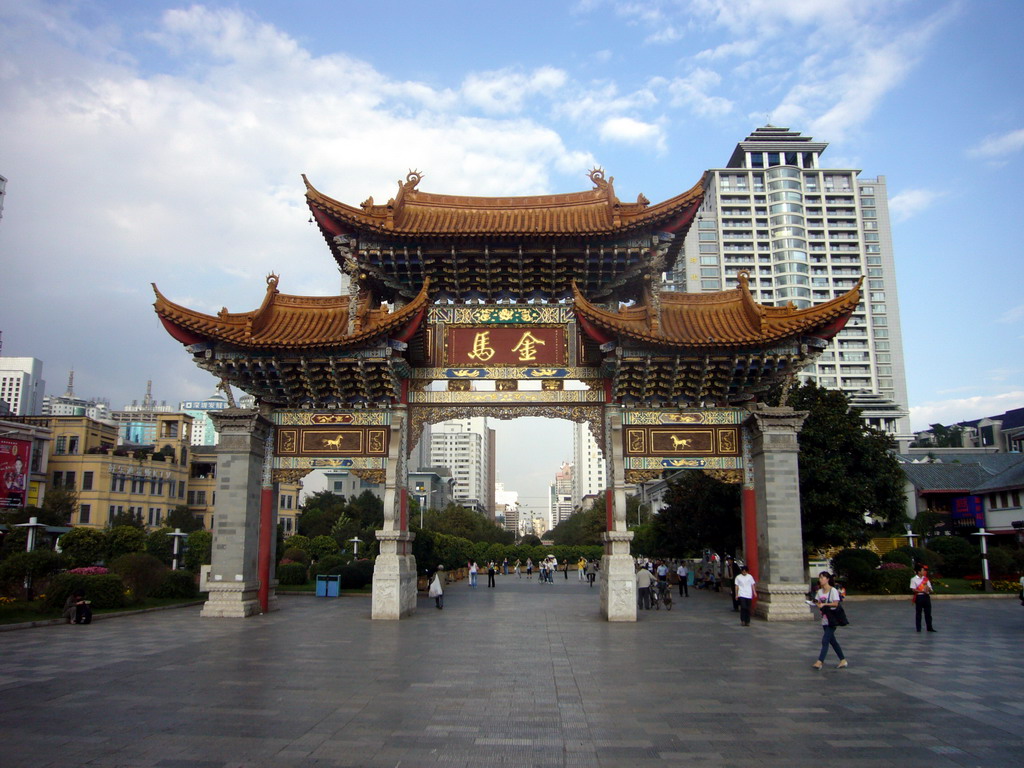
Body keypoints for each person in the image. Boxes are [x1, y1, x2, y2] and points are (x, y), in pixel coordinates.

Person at [812, 571, 847, 669]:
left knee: (825, 640)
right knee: (832, 641)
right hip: (825, 619)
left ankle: (820, 661)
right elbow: (818, 603)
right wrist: (816, 603)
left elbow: (836, 603)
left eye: (823, 578)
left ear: (827, 579)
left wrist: (825, 604)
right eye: (820, 578)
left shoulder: (833, 591)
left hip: (833, 619)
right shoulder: (819, 592)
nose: (821, 580)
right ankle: (843, 660)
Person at [910, 564, 936, 632]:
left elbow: (930, 588)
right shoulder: (913, 579)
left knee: (928, 613)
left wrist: (929, 590)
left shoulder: (926, 579)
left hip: (926, 597)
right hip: (919, 597)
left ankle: (929, 628)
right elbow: (913, 589)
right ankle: (918, 628)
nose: (924, 571)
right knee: (919, 613)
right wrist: (922, 591)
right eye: (922, 570)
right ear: (919, 571)